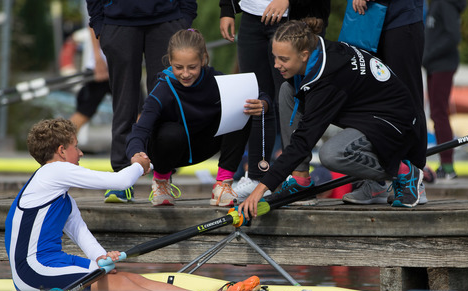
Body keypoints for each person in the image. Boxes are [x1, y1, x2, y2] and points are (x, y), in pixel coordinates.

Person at [239, 18, 427, 219]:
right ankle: (301, 181)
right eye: (274, 57)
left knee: (332, 154)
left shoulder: (328, 80)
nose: (276, 65)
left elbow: (303, 141)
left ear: (303, 55)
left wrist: (260, 190)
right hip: (368, 113)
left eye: (283, 59)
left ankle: (405, 172)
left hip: (396, 121)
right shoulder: (316, 52)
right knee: (287, 90)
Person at [5, 118, 189, 291]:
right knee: (119, 283)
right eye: (75, 146)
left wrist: (102, 258)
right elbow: (121, 181)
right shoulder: (52, 171)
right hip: (33, 272)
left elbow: (80, 233)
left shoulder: (64, 201)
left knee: (128, 277)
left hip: (54, 263)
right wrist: (140, 165)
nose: (80, 153)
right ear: (61, 151)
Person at [125, 28, 271, 207]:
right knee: (171, 132)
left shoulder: (215, 80)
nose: (185, 74)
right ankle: (161, 182)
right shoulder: (162, 89)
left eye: (192, 67)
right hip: (170, 151)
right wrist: (136, 153)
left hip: (204, 146)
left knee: (243, 105)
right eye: (179, 67)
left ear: (203, 60)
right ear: (170, 61)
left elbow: (258, 94)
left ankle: (222, 185)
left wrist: (263, 104)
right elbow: (140, 129)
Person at [219, 0, 331, 202]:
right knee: (256, 100)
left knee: (291, 97)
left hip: (294, 14)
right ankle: (255, 176)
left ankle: (298, 177)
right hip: (251, 15)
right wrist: (227, 8)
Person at [86, 0, 197, 203]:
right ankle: (122, 178)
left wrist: (186, 15)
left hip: (168, 18)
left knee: (166, 101)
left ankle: (162, 179)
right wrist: (99, 22)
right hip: (117, 21)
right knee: (123, 103)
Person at [342, 0, 428, 204]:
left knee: (408, 99)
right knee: (367, 100)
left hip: (400, 18)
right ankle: (375, 182)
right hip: (364, 16)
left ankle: (415, 179)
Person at [423, 0, 467, 180]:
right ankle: (446, 166)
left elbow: (453, 36)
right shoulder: (434, 4)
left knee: (439, 114)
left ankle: (448, 168)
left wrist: (427, 56)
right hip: (434, 65)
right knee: (437, 114)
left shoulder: (445, 4)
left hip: (442, 65)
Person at [69, 28, 110, 133]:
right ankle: (58, 146)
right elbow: (93, 25)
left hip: (122, 67)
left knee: (139, 113)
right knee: (83, 113)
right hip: (100, 68)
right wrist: (98, 58)